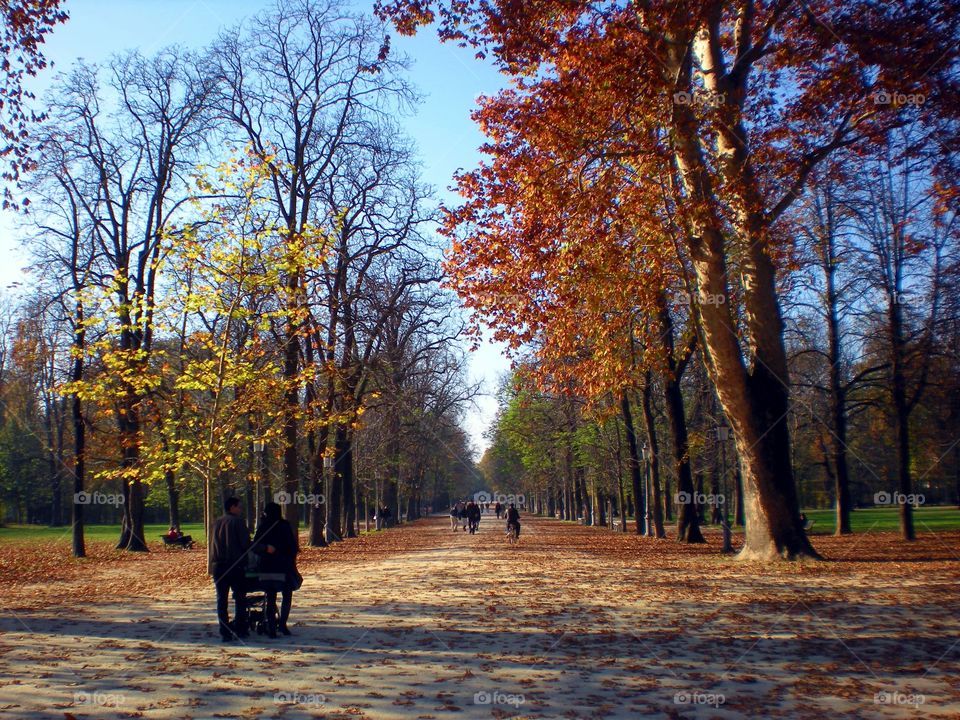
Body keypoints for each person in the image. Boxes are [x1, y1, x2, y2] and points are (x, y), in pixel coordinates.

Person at [252, 502, 298, 638]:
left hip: (266, 566)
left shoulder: (263, 526)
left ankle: (271, 627)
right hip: (283, 566)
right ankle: (283, 624)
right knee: (287, 595)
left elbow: (255, 545)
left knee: (270, 597)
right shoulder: (284, 526)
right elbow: (292, 547)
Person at [211, 497, 251, 642]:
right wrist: (264, 548)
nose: (241, 510)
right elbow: (246, 544)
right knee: (240, 598)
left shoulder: (216, 522)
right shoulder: (238, 522)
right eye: (239, 507)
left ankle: (225, 632)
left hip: (218, 566)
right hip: (235, 565)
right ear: (232, 507)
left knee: (221, 600)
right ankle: (240, 628)